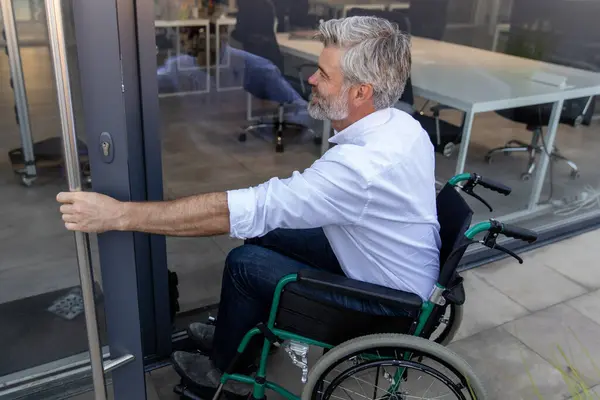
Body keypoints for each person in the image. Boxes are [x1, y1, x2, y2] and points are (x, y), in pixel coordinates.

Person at [57, 16, 440, 395]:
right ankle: (236, 331)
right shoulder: (402, 125)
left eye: (323, 74)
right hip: (380, 261)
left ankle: (225, 373)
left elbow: (238, 210)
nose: (310, 80)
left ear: (361, 93)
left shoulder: (361, 168)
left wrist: (119, 215)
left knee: (245, 264)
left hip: (388, 304)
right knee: (265, 234)